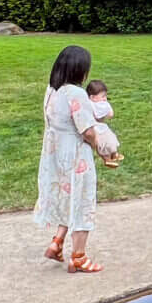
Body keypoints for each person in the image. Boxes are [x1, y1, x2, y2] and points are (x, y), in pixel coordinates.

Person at [34, 44, 106, 273]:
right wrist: (102, 149)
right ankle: (79, 257)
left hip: (55, 154)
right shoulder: (76, 94)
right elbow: (87, 130)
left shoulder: (51, 91)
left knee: (68, 197)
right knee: (82, 202)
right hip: (75, 156)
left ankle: (57, 243)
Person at [85, 79, 123, 167]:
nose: (105, 98)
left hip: (102, 127)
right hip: (94, 128)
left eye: (105, 96)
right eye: (102, 96)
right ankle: (106, 159)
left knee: (111, 137)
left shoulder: (104, 104)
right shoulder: (89, 104)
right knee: (101, 143)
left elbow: (110, 114)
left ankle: (114, 153)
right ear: (92, 97)